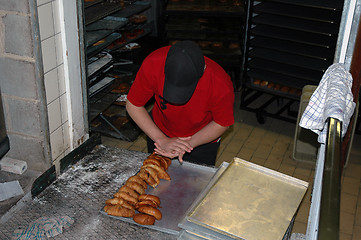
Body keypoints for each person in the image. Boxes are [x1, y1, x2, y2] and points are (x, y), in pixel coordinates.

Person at [126, 40, 234, 166]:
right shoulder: (153, 62)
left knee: (197, 183)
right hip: (159, 132)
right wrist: (161, 139)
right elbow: (133, 105)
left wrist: (186, 145)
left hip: (201, 138)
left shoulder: (220, 83)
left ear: (203, 71)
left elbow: (222, 123)